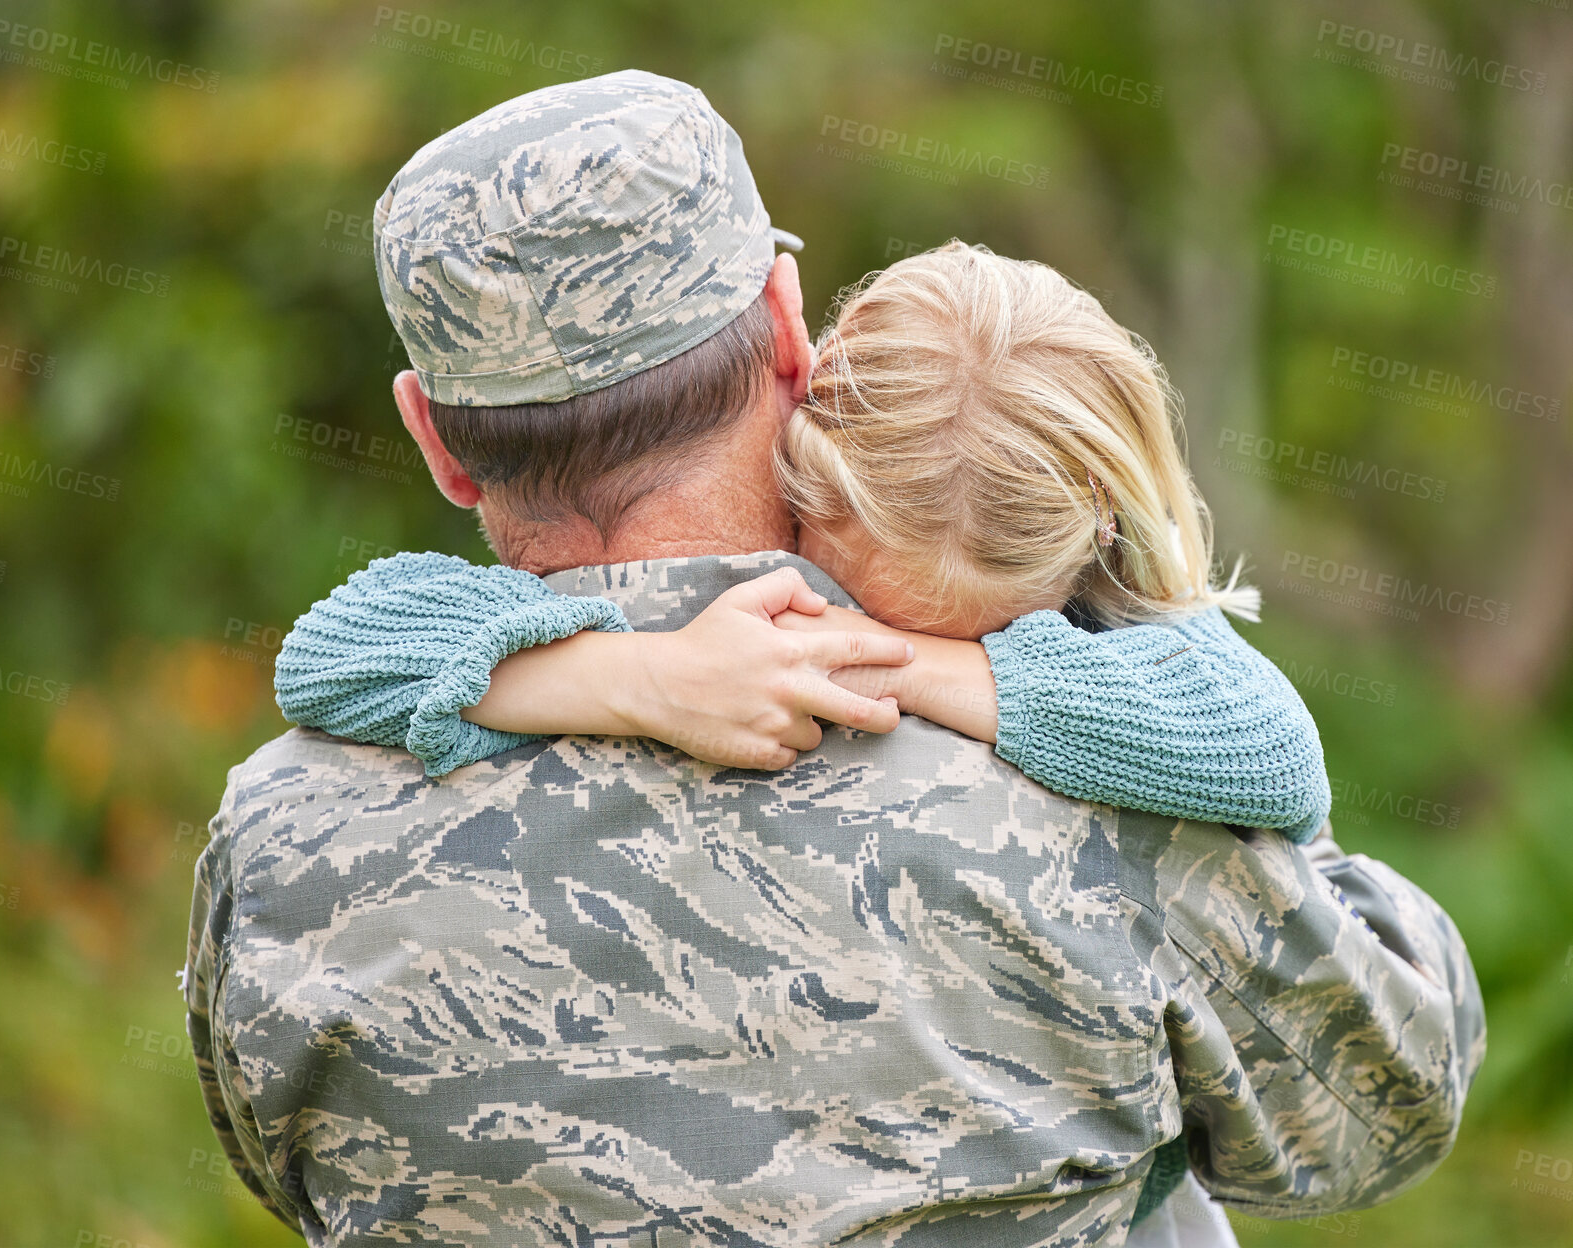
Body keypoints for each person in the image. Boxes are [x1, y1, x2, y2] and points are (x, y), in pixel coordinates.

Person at [184, 70, 1484, 1248]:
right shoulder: (1087, 786)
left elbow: (276, 1162)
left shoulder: (280, 838)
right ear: (789, 326)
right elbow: (1382, 1103)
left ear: (434, 437)